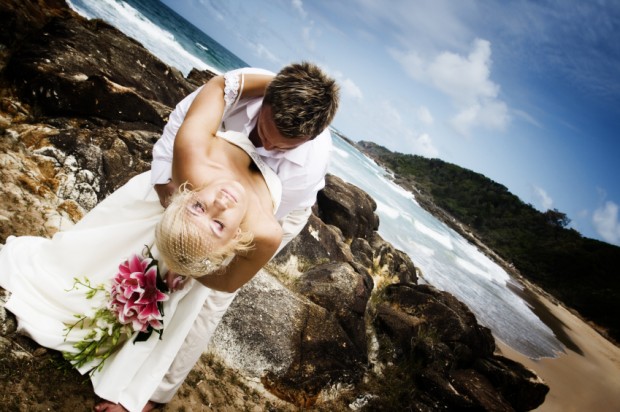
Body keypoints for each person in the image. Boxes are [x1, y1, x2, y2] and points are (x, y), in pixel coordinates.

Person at [135, 61, 340, 410]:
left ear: (309, 138)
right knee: (154, 238)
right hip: (215, 177)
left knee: (207, 298)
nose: (265, 146)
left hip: (272, 207)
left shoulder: (309, 165)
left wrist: (197, 261)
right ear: (266, 100)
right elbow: (178, 128)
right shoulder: (239, 88)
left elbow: (245, 221)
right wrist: (166, 188)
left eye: (281, 147)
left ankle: (158, 391)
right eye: (263, 130)